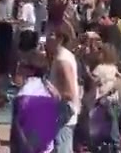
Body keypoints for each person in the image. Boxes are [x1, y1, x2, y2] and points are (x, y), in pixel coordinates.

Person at [46, 24, 82, 153]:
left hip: (64, 115)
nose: (47, 39)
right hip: (65, 114)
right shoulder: (63, 55)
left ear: (60, 39)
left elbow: (70, 92)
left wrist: (54, 92)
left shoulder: (62, 60)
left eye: (51, 35)